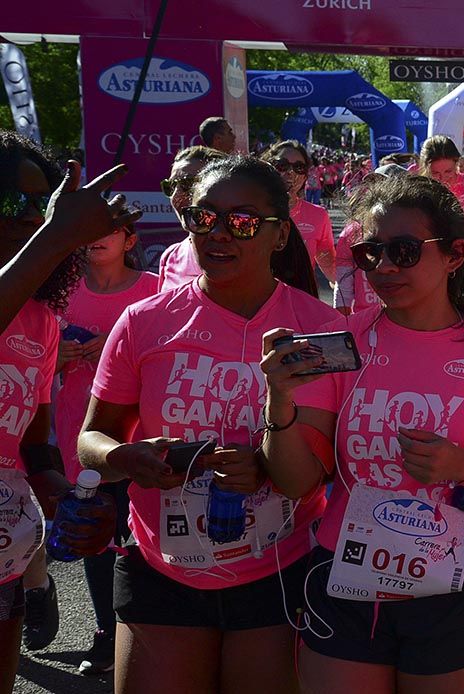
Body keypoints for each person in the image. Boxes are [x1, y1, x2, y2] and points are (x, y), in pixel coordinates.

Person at [259, 175, 464, 692]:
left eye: (404, 251)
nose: (384, 267)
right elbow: (295, 481)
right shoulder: (344, 343)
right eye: (370, 253)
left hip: (460, 579)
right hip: (346, 571)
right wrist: (278, 400)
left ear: (455, 254)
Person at [78, 156, 331, 693]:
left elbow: (305, 480)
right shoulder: (144, 321)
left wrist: (262, 464)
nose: (218, 233)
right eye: (204, 218)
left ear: (280, 233)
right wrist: (126, 458)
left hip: (277, 570)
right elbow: (90, 439)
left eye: (241, 222)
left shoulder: (320, 330)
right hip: (161, 568)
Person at [0, 131, 120, 694]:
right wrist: (55, 236)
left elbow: (32, 446)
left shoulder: (41, 319)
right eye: (13, 200)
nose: (29, 215)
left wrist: (69, 499)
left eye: (39, 203)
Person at [54, 222, 158, 674]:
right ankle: (104, 633)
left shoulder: (156, 289)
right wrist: (53, 357)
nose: (95, 237)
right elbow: (29, 355)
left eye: (109, 230)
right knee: (94, 535)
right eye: (88, 228)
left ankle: (147, 631)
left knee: (140, 535)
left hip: (143, 435)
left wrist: (119, 355)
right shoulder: (61, 293)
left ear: (130, 241)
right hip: (79, 433)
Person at [333, 164, 410, 316]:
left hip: (409, 320)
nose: (378, 190)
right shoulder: (351, 232)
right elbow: (343, 286)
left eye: (386, 185)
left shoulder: (417, 230)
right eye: (374, 184)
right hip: (366, 321)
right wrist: (343, 325)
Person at [261, 140, 336, 285]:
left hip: (302, 298)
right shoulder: (253, 209)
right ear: (269, 167)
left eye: (299, 167)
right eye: (282, 165)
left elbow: (330, 265)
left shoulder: (318, 215)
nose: (290, 172)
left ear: (305, 176)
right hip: (258, 301)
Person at [157, 146, 227, 291]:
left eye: (187, 184)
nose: (176, 196)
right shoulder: (171, 256)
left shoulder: (244, 250)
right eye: (170, 186)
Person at [420, 135, 464, 217]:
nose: (442, 179)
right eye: (435, 173)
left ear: (457, 164)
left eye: (448, 171)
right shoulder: (420, 193)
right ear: (425, 168)